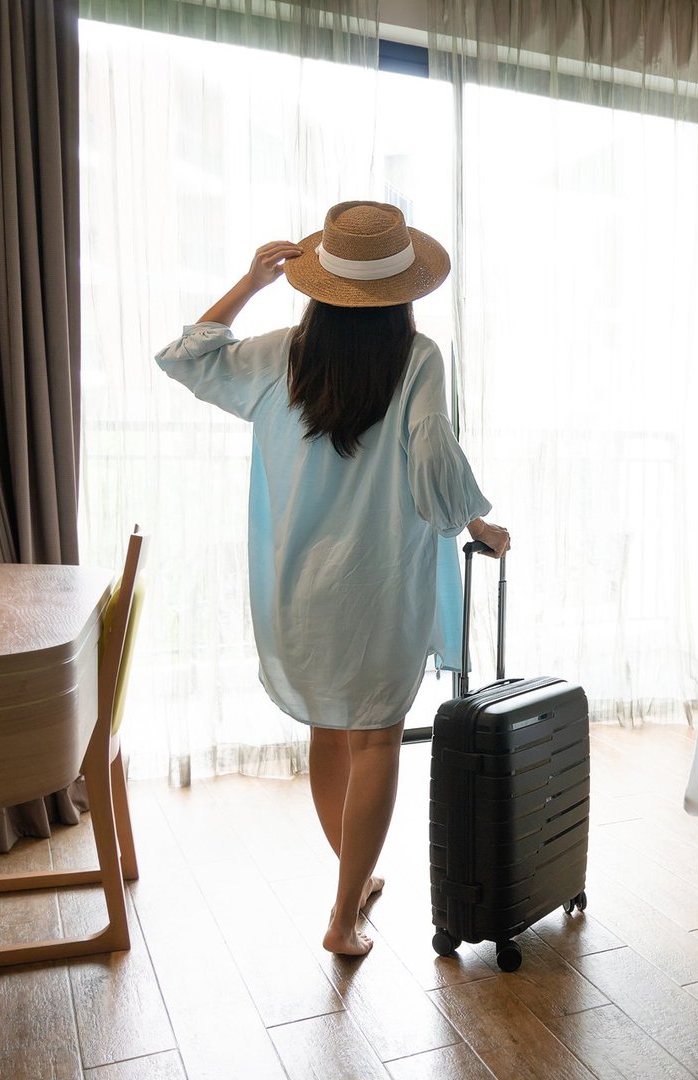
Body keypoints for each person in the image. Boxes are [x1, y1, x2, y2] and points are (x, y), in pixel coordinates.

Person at [155, 201, 507, 956]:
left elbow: (187, 358)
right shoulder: (418, 360)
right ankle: (346, 912)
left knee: (328, 731)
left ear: (320, 287)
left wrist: (249, 284)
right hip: (380, 586)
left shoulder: (282, 354)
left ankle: (353, 888)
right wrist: (475, 522)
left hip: (299, 588)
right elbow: (435, 463)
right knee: (376, 739)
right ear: (400, 292)